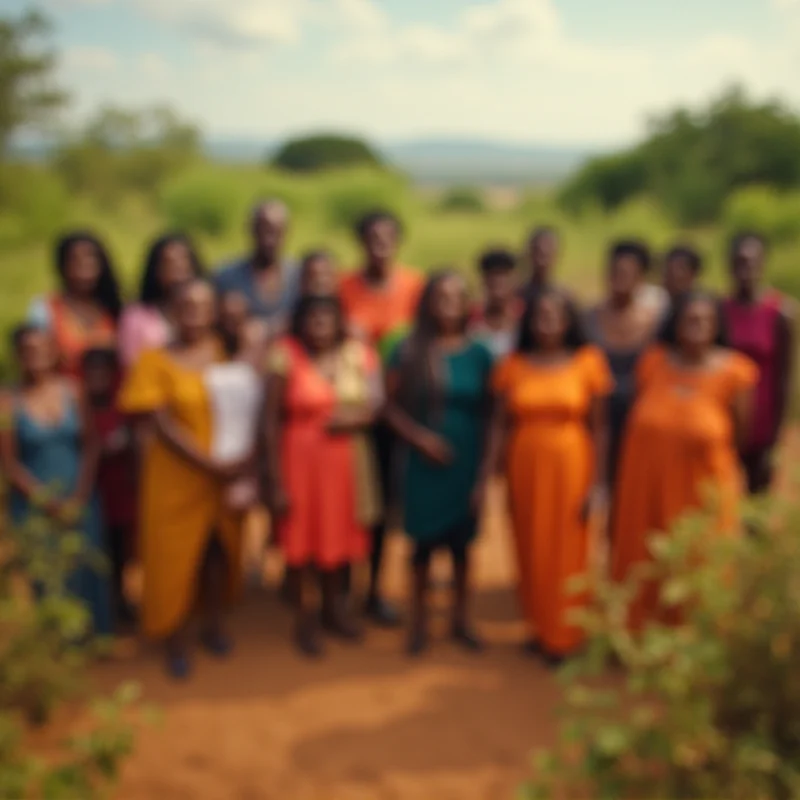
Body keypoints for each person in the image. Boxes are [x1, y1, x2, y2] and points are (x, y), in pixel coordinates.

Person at [119, 279, 252, 679]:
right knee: (172, 559)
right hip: (176, 478)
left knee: (217, 551)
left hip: (225, 475)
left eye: (203, 306)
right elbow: (160, 424)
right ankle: (175, 637)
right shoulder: (153, 360)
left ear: (214, 312)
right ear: (171, 312)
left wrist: (237, 462)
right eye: (185, 306)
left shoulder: (225, 352)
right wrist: (210, 464)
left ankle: (212, 624)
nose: (194, 313)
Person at [611, 291, 757, 630]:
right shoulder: (653, 363)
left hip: (703, 492)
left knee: (701, 564)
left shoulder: (736, 372)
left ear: (718, 326)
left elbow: (741, 438)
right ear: (675, 324)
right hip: (646, 490)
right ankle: (640, 638)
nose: (696, 327)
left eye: (705, 320)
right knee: (645, 561)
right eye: (689, 319)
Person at [486, 288, 612, 666]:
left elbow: (601, 429)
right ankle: (539, 627)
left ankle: (566, 635)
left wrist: (599, 483)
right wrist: (492, 471)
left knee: (569, 547)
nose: (548, 323)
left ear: (570, 321)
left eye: (556, 315)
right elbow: (499, 424)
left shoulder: (588, 362)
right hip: (524, 466)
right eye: (541, 315)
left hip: (572, 465)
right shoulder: (514, 363)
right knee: (530, 544)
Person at [263, 294, 382, 657]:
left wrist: (354, 418)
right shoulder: (285, 355)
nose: (319, 325)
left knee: (337, 542)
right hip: (298, 463)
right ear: (300, 322)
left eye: (327, 318)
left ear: (339, 321)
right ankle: (305, 620)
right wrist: (275, 480)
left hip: (344, 465)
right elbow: (269, 421)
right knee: (301, 549)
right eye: (312, 318)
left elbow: (376, 404)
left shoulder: (357, 353)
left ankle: (335, 612)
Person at [384, 271, 493, 656]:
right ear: (428, 301)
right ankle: (418, 625)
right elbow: (389, 407)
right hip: (422, 465)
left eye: (457, 296)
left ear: (468, 304)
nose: (449, 304)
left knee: (463, 549)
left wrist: (484, 475)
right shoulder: (409, 349)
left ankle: (461, 621)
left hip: (466, 463)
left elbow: (491, 416)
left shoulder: (480, 353)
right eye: (441, 296)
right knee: (422, 549)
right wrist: (420, 439)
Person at [338, 210, 424, 627]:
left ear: (399, 241)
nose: (380, 244)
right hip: (350, 417)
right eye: (372, 237)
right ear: (361, 242)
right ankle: (335, 590)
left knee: (384, 508)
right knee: (345, 502)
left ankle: (374, 590)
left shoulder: (414, 287)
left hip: (397, 416)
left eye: (388, 236)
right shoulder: (342, 288)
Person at [0, 326, 112, 636]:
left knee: (88, 567)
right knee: (48, 577)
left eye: (42, 348)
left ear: (54, 352)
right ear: (18, 356)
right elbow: (9, 464)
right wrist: (46, 501)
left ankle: (95, 641)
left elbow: (91, 444)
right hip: (34, 505)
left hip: (80, 496)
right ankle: (59, 649)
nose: (36, 356)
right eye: (28, 350)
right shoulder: (7, 402)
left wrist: (80, 494)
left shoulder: (74, 390)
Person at [722, 233, 795, 495]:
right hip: (725, 423)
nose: (746, 269)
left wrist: (775, 439)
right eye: (740, 262)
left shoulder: (781, 312)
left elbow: (784, 378)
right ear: (729, 265)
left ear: (763, 264)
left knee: (758, 497)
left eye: (752, 262)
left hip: (762, 424)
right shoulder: (719, 310)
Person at [585, 241, 661, 483]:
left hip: (637, 418)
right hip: (594, 417)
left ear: (641, 278)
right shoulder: (588, 318)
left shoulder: (655, 322)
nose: (621, 279)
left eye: (628, 274)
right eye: (615, 272)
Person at [83, 347, 137, 627]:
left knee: (119, 551)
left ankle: (120, 601)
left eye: (103, 372)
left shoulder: (122, 406)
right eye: (91, 372)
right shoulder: (78, 407)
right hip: (90, 492)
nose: (97, 378)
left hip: (120, 491)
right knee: (94, 551)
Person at [27, 232, 122, 380]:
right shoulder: (45, 309)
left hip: (112, 399)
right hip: (65, 398)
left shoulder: (116, 308)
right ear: (62, 265)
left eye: (90, 258)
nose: (83, 265)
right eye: (75, 260)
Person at [118, 233, 204, 369]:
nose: (177, 269)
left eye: (183, 262)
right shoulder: (136, 316)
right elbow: (131, 364)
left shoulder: (205, 312)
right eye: (169, 263)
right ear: (155, 269)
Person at [214, 199, 300, 324]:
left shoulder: (297, 276)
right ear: (251, 229)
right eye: (265, 229)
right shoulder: (227, 277)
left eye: (277, 232)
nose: (270, 239)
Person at [469, 248, 522, 359]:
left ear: (515, 279)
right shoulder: (470, 319)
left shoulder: (525, 317)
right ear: (483, 280)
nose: (497, 281)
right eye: (492, 275)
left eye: (503, 275)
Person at [519, 226, 560, 303]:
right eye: (538, 254)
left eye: (546, 255)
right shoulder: (518, 297)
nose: (541, 262)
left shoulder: (562, 301)